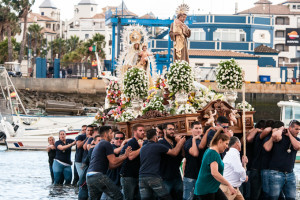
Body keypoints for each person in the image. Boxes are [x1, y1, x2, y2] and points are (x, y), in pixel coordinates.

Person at [86, 126, 131, 200]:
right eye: (111, 133)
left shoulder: (100, 144)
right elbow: (113, 161)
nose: (112, 135)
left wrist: (122, 158)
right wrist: (125, 155)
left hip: (89, 176)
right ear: (106, 134)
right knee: (118, 196)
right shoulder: (106, 143)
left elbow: (111, 166)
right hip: (98, 176)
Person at [139, 129, 186, 200]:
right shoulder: (158, 146)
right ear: (155, 138)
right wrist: (180, 142)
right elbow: (174, 152)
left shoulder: (143, 147)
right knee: (166, 198)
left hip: (141, 177)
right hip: (153, 177)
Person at [194, 129, 236, 200]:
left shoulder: (212, 151)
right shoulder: (213, 153)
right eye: (226, 143)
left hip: (212, 188)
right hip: (206, 190)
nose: (227, 147)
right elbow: (214, 173)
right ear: (220, 141)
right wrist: (229, 185)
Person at [264, 120, 300, 200]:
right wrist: (282, 129)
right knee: (273, 198)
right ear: (290, 128)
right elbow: (274, 136)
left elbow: (297, 147)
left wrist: (290, 135)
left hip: (290, 174)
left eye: (299, 129)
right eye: (297, 129)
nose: (298, 131)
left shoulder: (297, 139)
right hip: (276, 173)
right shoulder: (280, 136)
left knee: (291, 198)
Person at [159, 123, 184, 200]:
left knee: (179, 197)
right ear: (164, 130)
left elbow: (183, 155)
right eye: (170, 129)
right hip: (165, 177)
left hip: (177, 176)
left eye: (173, 129)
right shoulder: (161, 142)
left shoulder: (176, 142)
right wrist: (180, 143)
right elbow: (174, 153)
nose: (172, 131)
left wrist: (181, 144)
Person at [120, 124, 145, 200]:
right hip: (128, 176)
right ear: (135, 132)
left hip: (137, 175)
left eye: (143, 130)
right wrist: (141, 148)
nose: (143, 132)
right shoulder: (131, 142)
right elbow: (130, 156)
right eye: (140, 130)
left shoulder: (141, 142)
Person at [101, 131, 128, 200]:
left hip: (121, 181)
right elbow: (116, 151)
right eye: (117, 138)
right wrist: (123, 146)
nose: (119, 140)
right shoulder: (110, 146)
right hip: (110, 179)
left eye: (121, 138)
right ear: (113, 140)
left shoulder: (126, 147)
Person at [183, 121, 204, 200]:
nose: (198, 130)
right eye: (196, 128)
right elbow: (195, 153)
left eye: (200, 128)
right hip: (191, 177)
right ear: (191, 130)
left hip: (201, 177)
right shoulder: (188, 142)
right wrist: (194, 140)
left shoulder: (203, 141)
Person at [78, 135, 102, 200]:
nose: (101, 142)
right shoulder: (92, 150)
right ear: (94, 142)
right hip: (87, 177)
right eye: (99, 140)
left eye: (102, 141)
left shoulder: (93, 149)